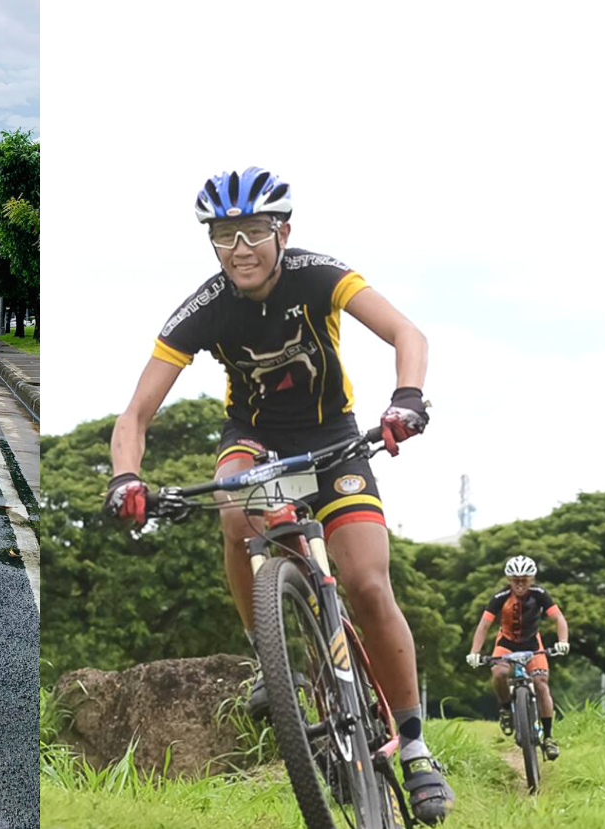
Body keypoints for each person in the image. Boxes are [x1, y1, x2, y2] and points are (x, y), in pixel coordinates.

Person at [104, 167, 452, 824]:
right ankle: (268, 647)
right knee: (234, 506)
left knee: (368, 584)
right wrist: (126, 476)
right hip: (255, 439)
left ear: (282, 231)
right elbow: (136, 415)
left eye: (254, 231)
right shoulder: (206, 306)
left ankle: (414, 746)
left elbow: (409, 335)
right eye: (223, 235)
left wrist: (406, 397)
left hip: (334, 440)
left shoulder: (319, 275)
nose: (239, 247)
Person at [466, 556, 569, 760]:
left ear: (531, 579)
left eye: (524, 579)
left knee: (541, 684)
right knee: (498, 673)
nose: (520, 584)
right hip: (506, 643)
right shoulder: (499, 597)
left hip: (532, 643)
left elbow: (559, 618)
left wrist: (563, 640)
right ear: (508, 580)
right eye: (515, 580)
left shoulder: (540, 594)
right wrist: (474, 652)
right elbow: (484, 625)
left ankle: (548, 737)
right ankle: (506, 708)